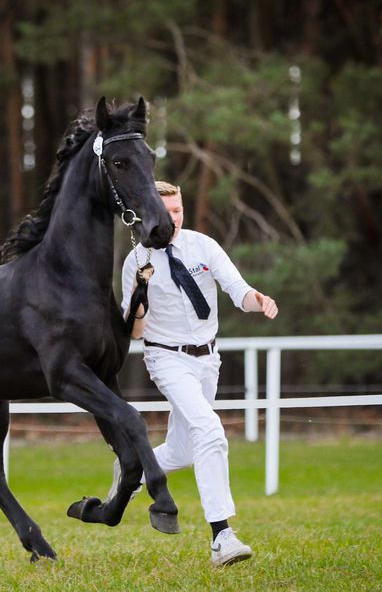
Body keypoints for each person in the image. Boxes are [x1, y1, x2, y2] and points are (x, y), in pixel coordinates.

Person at [116, 180, 278, 566]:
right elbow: (134, 331)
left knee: (184, 450)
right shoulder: (136, 261)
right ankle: (222, 536)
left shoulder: (203, 246)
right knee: (209, 430)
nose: (173, 217)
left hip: (208, 359)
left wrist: (258, 300)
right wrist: (140, 298)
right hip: (166, 358)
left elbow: (238, 291)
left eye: (178, 210)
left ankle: (132, 467)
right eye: (165, 211)